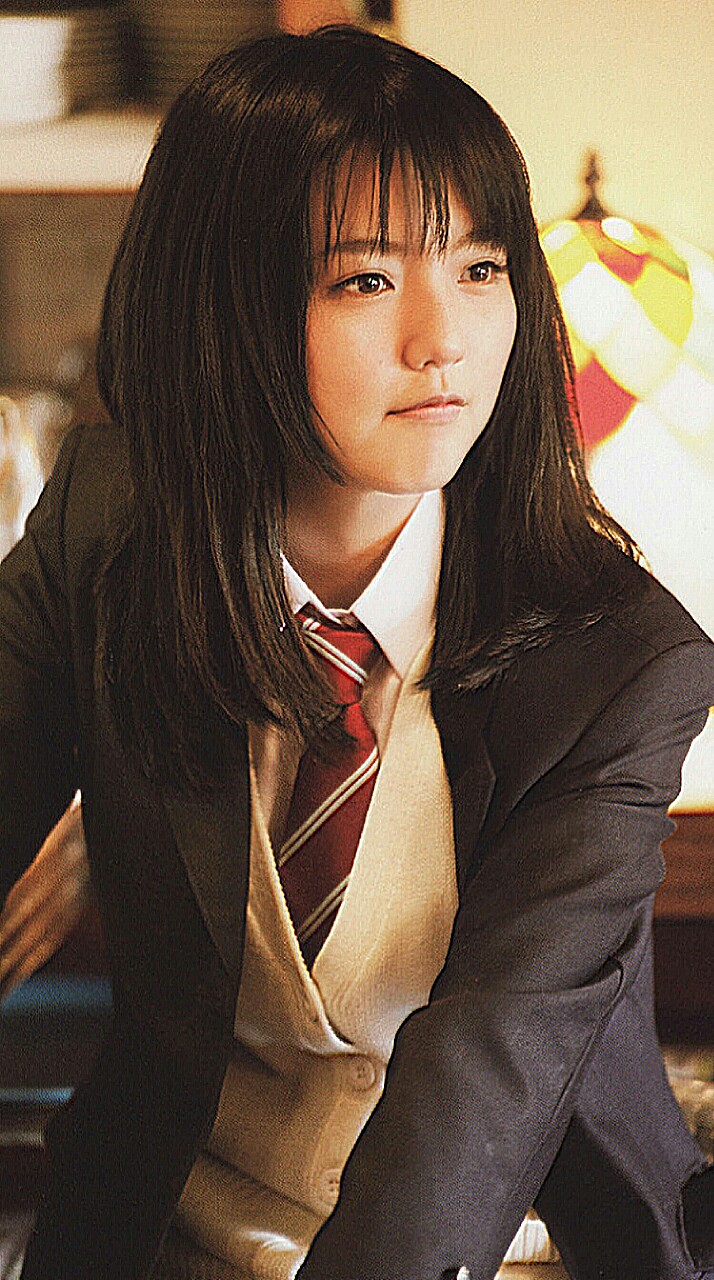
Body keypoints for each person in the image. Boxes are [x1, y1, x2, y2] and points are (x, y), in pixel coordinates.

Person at [0, 24, 713, 1280]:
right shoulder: (108, 529)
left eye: (481, 267)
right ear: (222, 304)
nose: (444, 340)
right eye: (366, 279)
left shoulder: (619, 657)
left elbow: (485, 1074)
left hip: (510, 1246)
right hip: (164, 1237)